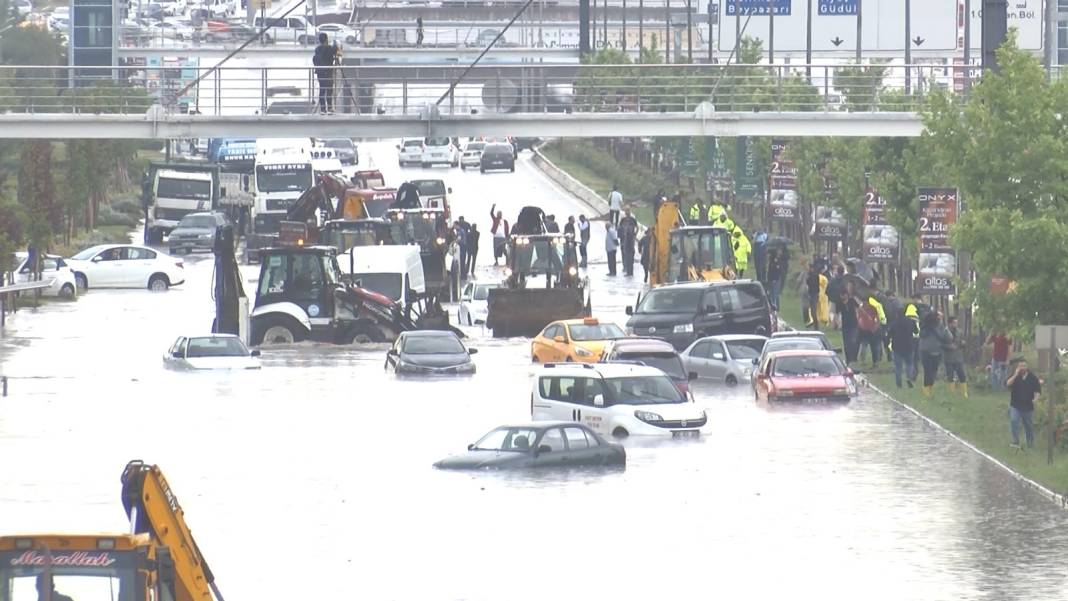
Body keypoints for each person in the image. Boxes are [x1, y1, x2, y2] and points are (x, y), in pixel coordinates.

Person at [1006, 360, 1041, 448]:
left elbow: (1037, 390)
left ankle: (1030, 443)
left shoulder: (1033, 378)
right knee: (1014, 421)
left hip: (1028, 406)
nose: (1022, 368)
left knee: (1028, 425)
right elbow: (1007, 383)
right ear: (1018, 367)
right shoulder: (1015, 376)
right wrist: (1015, 375)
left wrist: (1035, 399)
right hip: (1015, 405)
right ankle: (1015, 441)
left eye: (1024, 366)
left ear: (1027, 367)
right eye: (1020, 366)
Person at [918, 311, 951, 397]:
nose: (940, 319)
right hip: (928, 352)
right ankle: (926, 390)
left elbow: (948, 338)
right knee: (929, 372)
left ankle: (928, 389)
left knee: (931, 372)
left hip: (933, 352)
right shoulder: (927, 328)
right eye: (939, 317)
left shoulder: (932, 327)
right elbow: (948, 338)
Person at [890, 306, 918, 388]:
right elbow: (916, 331)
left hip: (897, 347)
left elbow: (890, 334)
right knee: (909, 364)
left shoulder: (894, 323)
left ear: (896, 314)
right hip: (909, 345)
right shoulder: (911, 322)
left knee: (898, 366)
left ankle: (899, 384)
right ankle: (909, 378)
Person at [312, 33, 338, 114]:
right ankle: (329, 108)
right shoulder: (330, 48)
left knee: (322, 90)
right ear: (326, 39)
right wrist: (335, 44)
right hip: (328, 71)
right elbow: (336, 50)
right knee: (329, 90)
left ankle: (323, 109)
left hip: (320, 72)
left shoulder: (317, 49)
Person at [944, 316, 967, 398]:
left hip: (958, 357)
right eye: (954, 323)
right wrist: (948, 346)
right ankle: (952, 393)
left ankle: (964, 393)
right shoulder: (944, 332)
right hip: (949, 358)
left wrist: (963, 343)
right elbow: (940, 344)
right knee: (950, 376)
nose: (956, 324)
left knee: (962, 375)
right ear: (950, 323)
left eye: (956, 322)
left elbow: (962, 342)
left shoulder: (959, 332)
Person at [840, 285, 861, 365]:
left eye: (844, 295)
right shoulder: (840, 302)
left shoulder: (852, 301)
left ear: (847, 295)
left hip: (853, 324)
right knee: (846, 343)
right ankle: (848, 358)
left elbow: (859, 307)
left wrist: (859, 318)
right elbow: (837, 313)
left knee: (853, 341)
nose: (843, 297)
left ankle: (853, 357)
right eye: (841, 295)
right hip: (845, 325)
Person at [618, 210, 638, 276]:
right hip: (624, 239)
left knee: (628, 254)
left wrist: (635, 235)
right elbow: (619, 228)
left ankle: (629, 269)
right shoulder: (623, 220)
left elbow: (637, 227)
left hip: (629, 240)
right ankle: (626, 267)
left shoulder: (632, 220)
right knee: (625, 254)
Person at [805, 262, 820, 327]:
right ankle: (813, 322)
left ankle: (816, 325)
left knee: (813, 310)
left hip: (814, 294)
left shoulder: (814, 276)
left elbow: (813, 285)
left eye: (809, 268)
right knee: (811, 310)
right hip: (811, 294)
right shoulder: (810, 275)